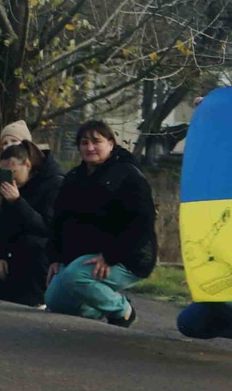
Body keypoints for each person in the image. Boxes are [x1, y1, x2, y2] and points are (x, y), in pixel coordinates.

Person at [45, 120, 157, 326]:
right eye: (84, 142)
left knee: (74, 277)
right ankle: (94, 310)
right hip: (86, 257)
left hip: (128, 256)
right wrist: (55, 257)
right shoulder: (73, 178)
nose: (90, 147)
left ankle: (123, 310)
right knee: (54, 300)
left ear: (111, 144)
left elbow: (143, 222)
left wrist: (111, 256)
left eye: (96, 141)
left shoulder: (128, 175)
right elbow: (59, 220)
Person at [0, 123, 62, 307]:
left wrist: (18, 202)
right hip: (17, 259)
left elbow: (46, 228)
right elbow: (1, 231)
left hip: (46, 257)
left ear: (27, 164)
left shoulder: (54, 183)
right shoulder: (11, 187)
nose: (10, 178)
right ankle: (20, 294)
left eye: (13, 172)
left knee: (31, 244)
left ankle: (39, 296)